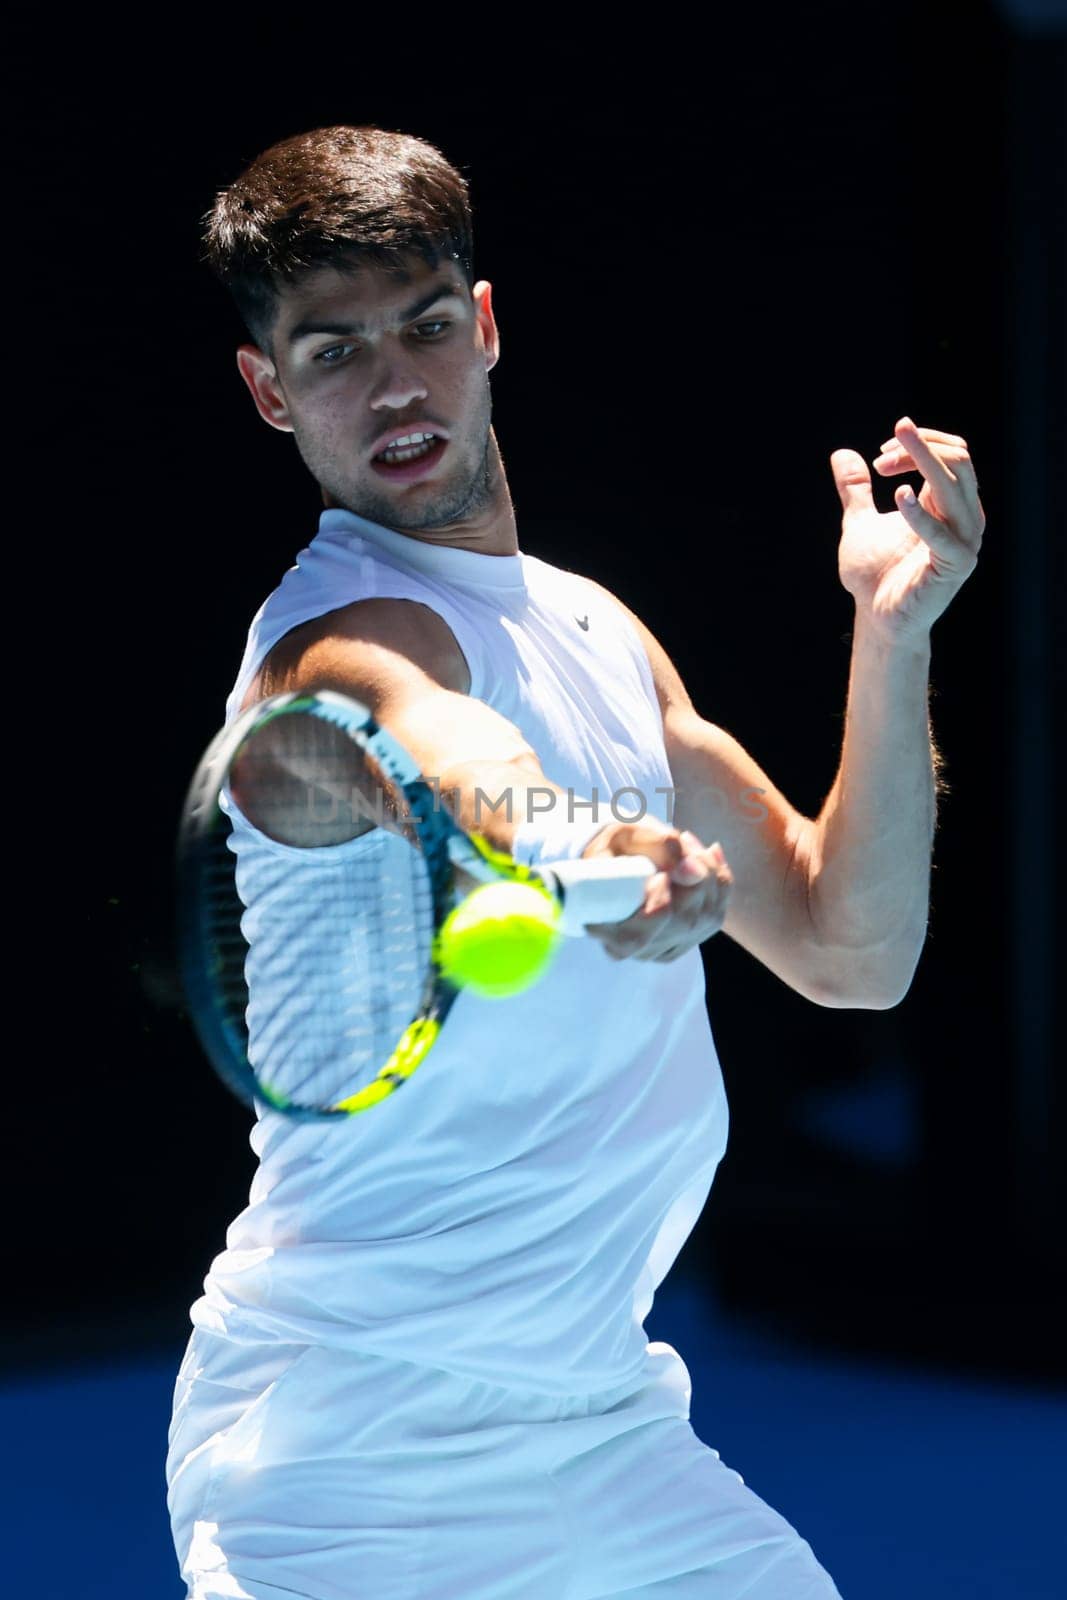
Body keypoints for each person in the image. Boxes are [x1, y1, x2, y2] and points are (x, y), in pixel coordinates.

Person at [165, 124, 985, 1600]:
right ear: (267, 391)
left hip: (603, 1425)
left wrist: (894, 633)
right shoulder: (333, 636)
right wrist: (590, 846)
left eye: (423, 327)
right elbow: (454, 752)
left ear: (484, 328)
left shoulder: (598, 632)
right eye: (333, 352)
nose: (397, 385)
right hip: (347, 1449)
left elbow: (853, 955)